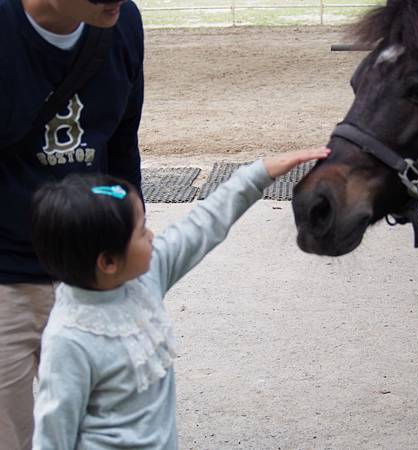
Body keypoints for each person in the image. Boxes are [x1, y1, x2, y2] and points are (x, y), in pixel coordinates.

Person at [30, 148, 329, 449]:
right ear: (108, 263)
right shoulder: (69, 340)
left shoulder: (143, 278)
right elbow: (53, 435)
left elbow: (202, 224)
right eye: (140, 231)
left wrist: (258, 173)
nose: (152, 235)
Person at [0, 1, 144, 448]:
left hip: (91, 278)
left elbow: (122, 142)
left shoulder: (122, 22)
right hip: (5, 281)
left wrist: (124, 252)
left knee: (105, 434)